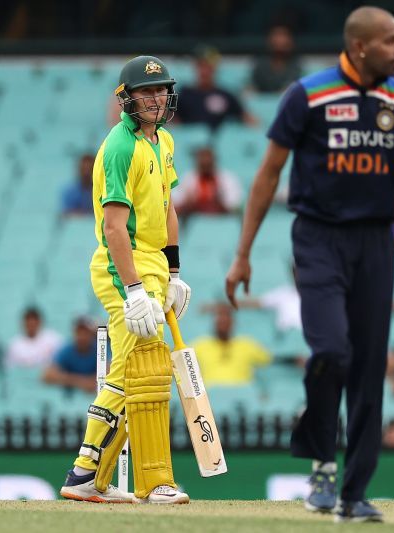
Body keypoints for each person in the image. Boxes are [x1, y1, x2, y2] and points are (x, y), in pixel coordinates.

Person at [225, 6, 394, 522]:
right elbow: (268, 174)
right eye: (392, 41)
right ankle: (320, 457)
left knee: (368, 370)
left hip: (377, 242)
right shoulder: (307, 95)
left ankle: (354, 495)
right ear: (361, 47)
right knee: (332, 350)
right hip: (318, 239)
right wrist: (243, 252)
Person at [59, 56, 193, 505]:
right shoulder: (119, 147)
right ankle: (137, 480)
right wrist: (134, 289)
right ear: (126, 99)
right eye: (145, 92)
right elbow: (115, 228)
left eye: (160, 91)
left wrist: (173, 272)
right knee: (141, 371)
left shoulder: (164, 141)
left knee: (138, 370)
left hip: (152, 263)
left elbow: (168, 208)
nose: (155, 100)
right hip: (123, 266)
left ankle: (90, 475)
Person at [176, 48, 257, 130]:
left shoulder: (225, 95)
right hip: (190, 139)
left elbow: (247, 119)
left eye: (208, 67)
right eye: (201, 66)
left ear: (215, 69)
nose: (204, 72)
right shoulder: (184, 94)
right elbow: (172, 121)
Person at [192, 302, 271, 385]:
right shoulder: (200, 345)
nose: (223, 321)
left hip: (242, 395)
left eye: (226, 317)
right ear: (214, 323)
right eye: (220, 318)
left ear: (233, 322)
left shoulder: (247, 344)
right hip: (209, 395)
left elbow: (269, 360)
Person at [172, 146, 243, 217]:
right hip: (195, 221)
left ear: (214, 161)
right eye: (203, 164)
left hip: (222, 221)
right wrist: (188, 202)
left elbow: (236, 206)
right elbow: (176, 204)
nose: (205, 165)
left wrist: (219, 202)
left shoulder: (227, 179)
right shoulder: (188, 179)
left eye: (208, 164)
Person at [43, 317, 98, 394]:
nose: (82, 337)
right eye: (79, 332)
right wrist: (82, 382)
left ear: (91, 334)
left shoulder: (100, 349)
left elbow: (109, 374)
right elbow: (48, 375)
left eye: (85, 333)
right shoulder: (67, 350)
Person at [250, 25, 303, 93]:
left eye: (283, 36)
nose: (279, 40)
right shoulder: (261, 64)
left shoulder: (296, 65)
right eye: (276, 36)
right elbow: (253, 86)